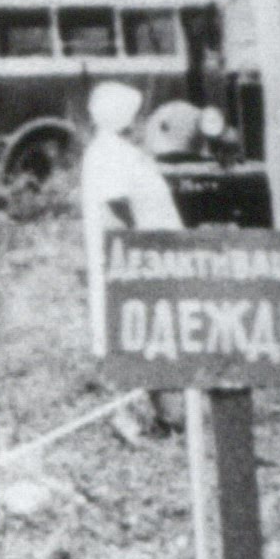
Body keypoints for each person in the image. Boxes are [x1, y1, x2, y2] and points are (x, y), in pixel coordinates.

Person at [79, 81, 187, 428]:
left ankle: (168, 414)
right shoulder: (108, 153)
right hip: (136, 258)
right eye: (136, 115)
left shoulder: (118, 150)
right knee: (134, 333)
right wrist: (141, 251)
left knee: (152, 333)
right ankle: (132, 415)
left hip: (148, 256)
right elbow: (117, 207)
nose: (141, 121)